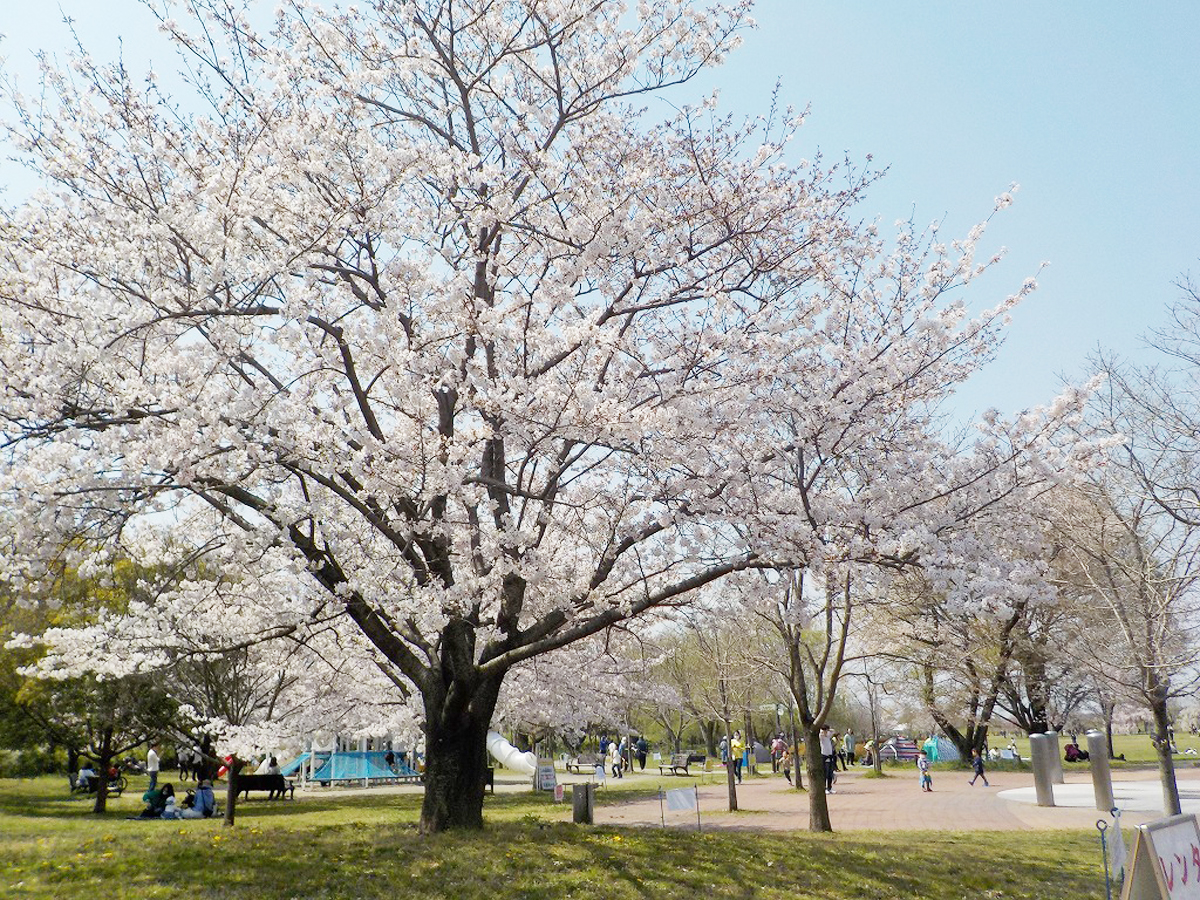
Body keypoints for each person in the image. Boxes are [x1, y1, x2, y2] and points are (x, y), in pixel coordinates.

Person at [819, 725, 836, 793]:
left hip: (830, 755)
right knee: (825, 773)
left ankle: (829, 787)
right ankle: (824, 788)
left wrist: (828, 730)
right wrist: (822, 731)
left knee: (830, 773)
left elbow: (833, 731)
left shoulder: (828, 736)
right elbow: (820, 734)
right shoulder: (821, 736)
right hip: (824, 755)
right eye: (825, 731)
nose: (826, 732)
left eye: (827, 731)